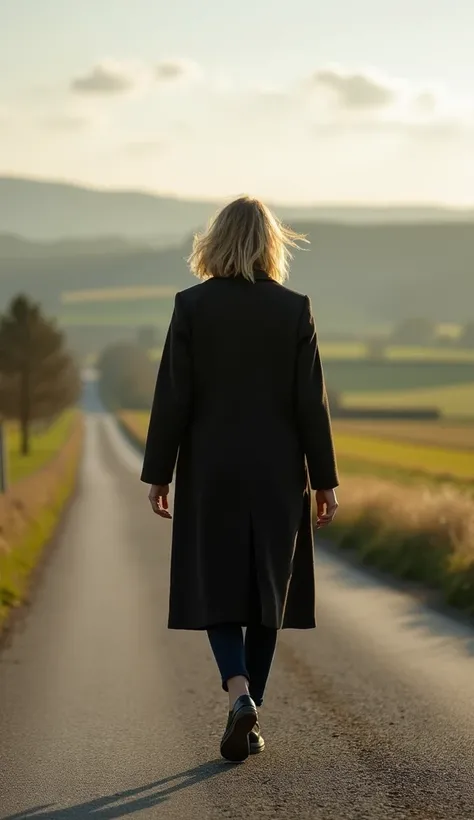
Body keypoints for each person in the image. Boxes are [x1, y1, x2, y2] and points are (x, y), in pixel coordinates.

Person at [141, 196, 339, 763]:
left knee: (218, 586)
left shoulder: (191, 307)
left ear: (215, 241)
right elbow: (311, 405)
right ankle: (249, 711)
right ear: (272, 245)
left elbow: (173, 396)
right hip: (279, 473)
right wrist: (324, 479)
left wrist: (159, 473)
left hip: (211, 471)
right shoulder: (294, 308)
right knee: (267, 593)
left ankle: (239, 695)